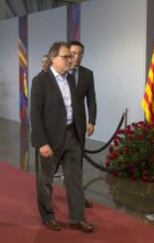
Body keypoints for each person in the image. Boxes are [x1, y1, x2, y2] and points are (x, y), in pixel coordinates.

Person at [30, 42, 95, 233]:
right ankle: (48, 216)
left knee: (74, 179)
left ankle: (78, 218)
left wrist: (81, 129)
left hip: (72, 135)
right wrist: (41, 142)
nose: (71, 59)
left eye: (71, 56)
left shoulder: (70, 80)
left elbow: (76, 108)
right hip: (49, 139)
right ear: (53, 58)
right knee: (46, 181)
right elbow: (35, 114)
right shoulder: (40, 81)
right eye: (66, 56)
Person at [68, 40, 97, 208]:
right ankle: (47, 202)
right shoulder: (60, 73)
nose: (77, 57)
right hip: (59, 126)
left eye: (80, 54)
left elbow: (91, 100)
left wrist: (91, 121)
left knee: (77, 162)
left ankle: (77, 197)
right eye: (73, 54)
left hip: (79, 125)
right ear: (67, 53)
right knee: (55, 163)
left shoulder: (88, 74)